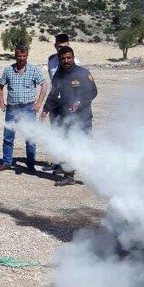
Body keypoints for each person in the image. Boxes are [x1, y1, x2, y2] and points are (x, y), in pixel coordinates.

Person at [43, 46, 98, 186]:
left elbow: (93, 91)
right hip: (67, 117)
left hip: (83, 117)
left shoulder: (82, 72)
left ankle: (95, 175)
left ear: (73, 58)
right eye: (63, 58)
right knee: (67, 145)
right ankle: (69, 175)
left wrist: (79, 102)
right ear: (59, 59)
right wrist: (45, 109)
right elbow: (53, 94)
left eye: (69, 58)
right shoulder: (58, 75)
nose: (66, 61)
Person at [0, 45, 47, 174]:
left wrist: (39, 103)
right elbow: (0, 86)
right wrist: (1, 102)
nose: (22, 58)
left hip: (28, 108)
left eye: (24, 56)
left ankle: (30, 164)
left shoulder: (34, 69)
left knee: (30, 138)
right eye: (19, 56)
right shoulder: (8, 70)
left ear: (27, 56)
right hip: (12, 109)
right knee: (8, 137)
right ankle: (7, 162)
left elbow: (44, 84)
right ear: (15, 55)